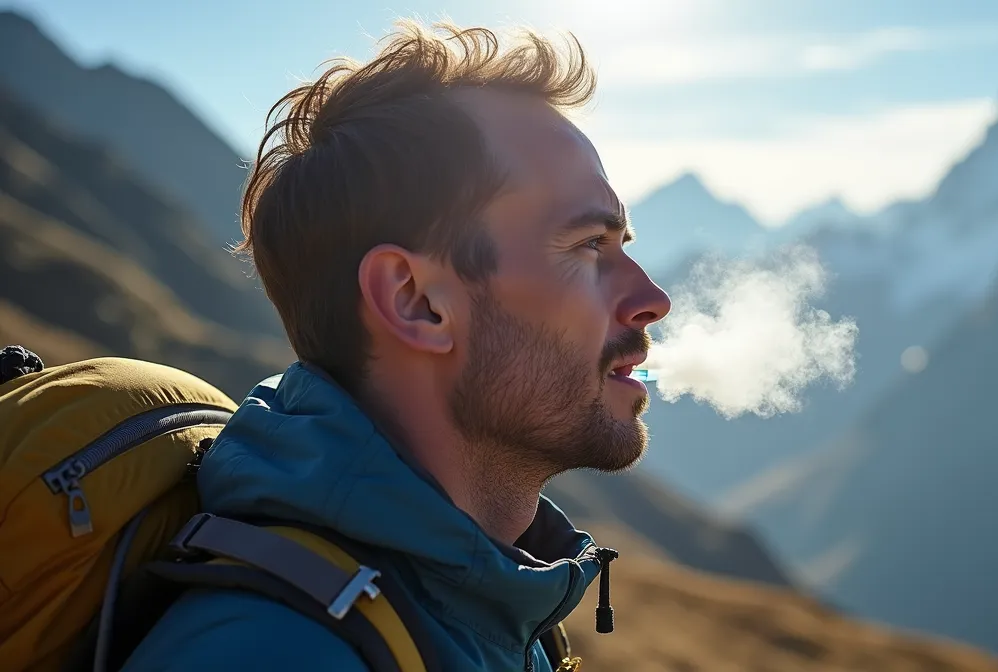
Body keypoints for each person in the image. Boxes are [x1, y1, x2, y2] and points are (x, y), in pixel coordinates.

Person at [122, 18, 671, 672]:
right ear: (415, 300)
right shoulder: (270, 654)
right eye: (588, 245)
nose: (652, 298)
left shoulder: (496, 604)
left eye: (622, 246)